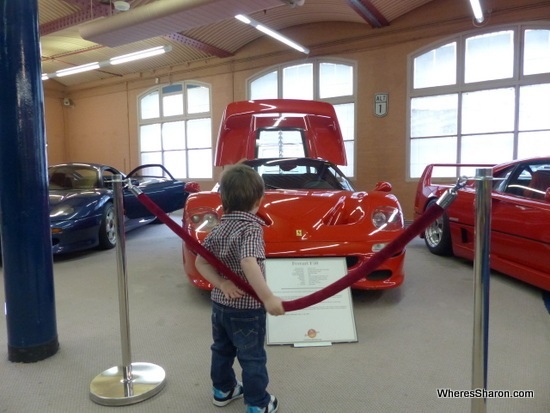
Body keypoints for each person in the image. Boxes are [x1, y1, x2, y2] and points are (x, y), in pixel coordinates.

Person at [195, 163, 285, 413]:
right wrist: (267, 297)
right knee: (252, 357)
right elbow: (248, 261)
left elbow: (200, 262)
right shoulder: (252, 227)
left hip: (220, 305)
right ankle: (258, 404)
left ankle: (223, 390)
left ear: (222, 198)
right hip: (247, 310)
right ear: (259, 199)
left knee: (221, 349)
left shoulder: (219, 228)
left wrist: (221, 283)